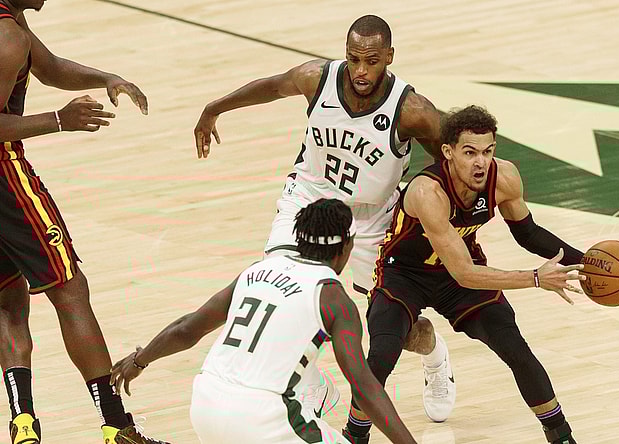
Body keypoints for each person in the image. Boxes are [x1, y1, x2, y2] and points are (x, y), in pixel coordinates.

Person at [193, 14, 456, 424]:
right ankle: (310, 383)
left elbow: (453, 159)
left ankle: (435, 356)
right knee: (280, 290)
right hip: (308, 200)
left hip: (371, 219)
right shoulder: (316, 78)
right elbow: (272, 86)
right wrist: (214, 108)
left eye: (371, 61)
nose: (361, 70)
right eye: (354, 59)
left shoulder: (412, 110)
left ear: (389, 57)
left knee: (394, 327)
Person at [342, 105, 585, 444]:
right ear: (448, 152)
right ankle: (354, 436)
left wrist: (586, 262)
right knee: (382, 353)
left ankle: (561, 436)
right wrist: (535, 278)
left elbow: (528, 233)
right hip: (405, 273)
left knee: (515, 347)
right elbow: (465, 274)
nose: (480, 162)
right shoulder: (428, 192)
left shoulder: (505, 177)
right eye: (470, 153)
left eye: (487, 151)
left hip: (458, 270)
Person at [110, 199, 418, 444]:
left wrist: (139, 360)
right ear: (347, 246)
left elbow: (187, 329)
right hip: (262, 420)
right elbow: (364, 386)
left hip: (205, 404)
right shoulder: (334, 299)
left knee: (310, 389)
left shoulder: (256, 271)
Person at [0, 1, 167, 443]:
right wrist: (59, 119)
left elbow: (49, 67)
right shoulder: (7, 35)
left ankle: (23, 425)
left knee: (8, 300)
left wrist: (106, 77)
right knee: (71, 291)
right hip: (4, 180)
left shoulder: (12, 23)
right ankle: (117, 427)